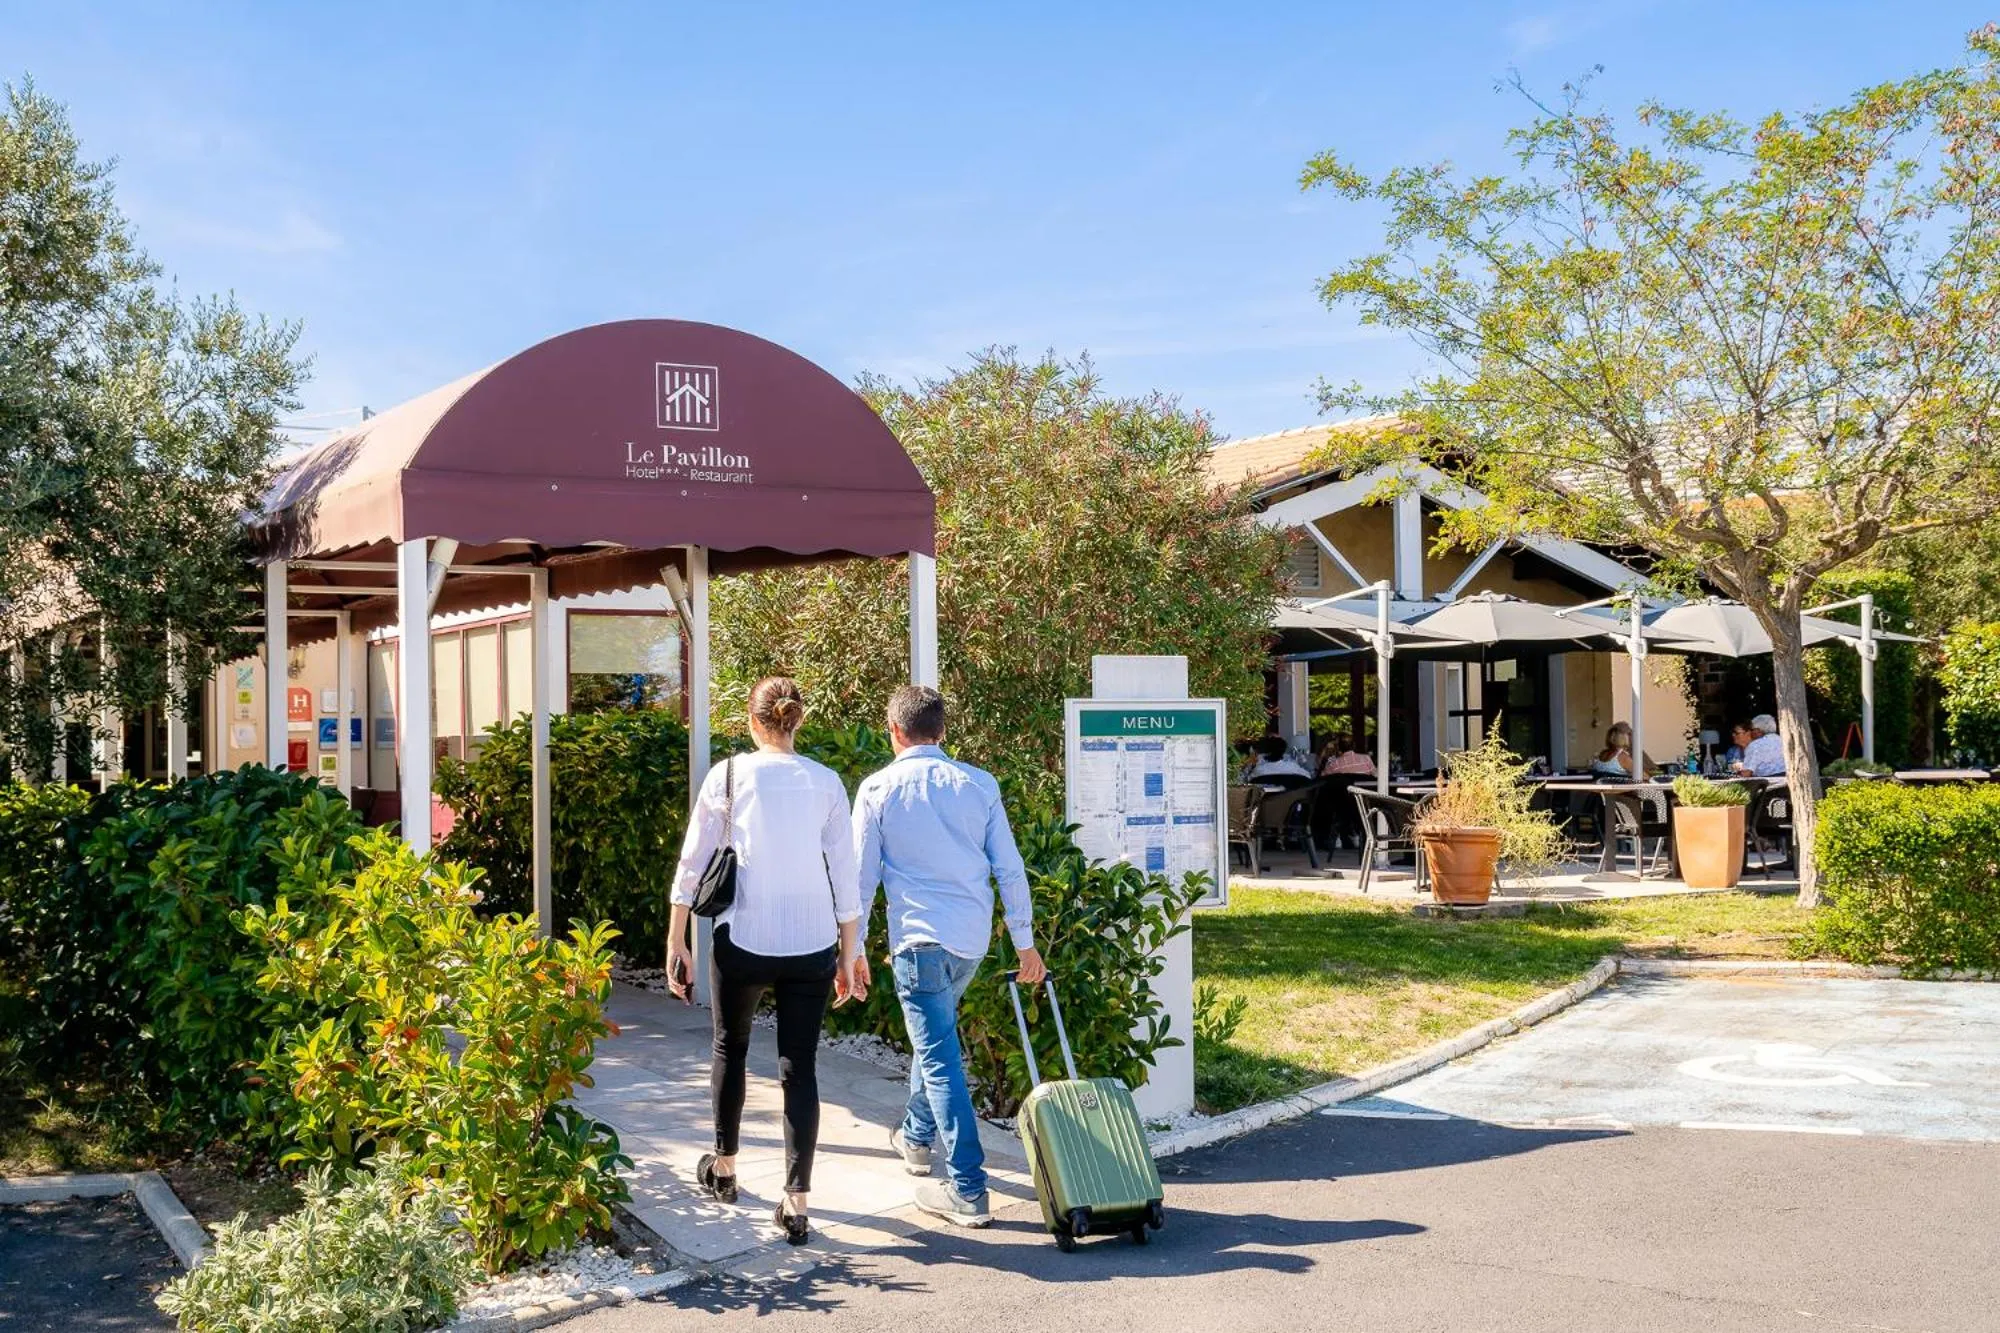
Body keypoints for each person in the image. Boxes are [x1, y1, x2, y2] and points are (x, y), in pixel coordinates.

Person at [666, 677, 867, 1247]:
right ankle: (797, 1203)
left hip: (743, 938)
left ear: (755, 721)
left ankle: (725, 1168)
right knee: (800, 1068)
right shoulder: (826, 782)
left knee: (729, 1048)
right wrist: (849, 953)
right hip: (812, 942)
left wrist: (677, 939)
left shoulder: (728, 775)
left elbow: (693, 861)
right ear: (797, 720)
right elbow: (845, 878)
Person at [852, 684, 1044, 1229]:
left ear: (894, 732)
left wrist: (853, 947)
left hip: (917, 943)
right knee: (934, 1039)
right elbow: (1009, 868)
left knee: (938, 1057)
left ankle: (967, 1189)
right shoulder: (979, 785)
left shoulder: (876, 788)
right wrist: (1025, 942)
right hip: (968, 942)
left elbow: (860, 879)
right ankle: (915, 1138)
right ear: (942, 731)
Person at [1244, 734, 1312, 783]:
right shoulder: (1294, 768)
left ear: (1267, 752)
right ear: (1283, 750)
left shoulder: (1258, 771)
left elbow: (1247, 780)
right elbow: (1308, 776)